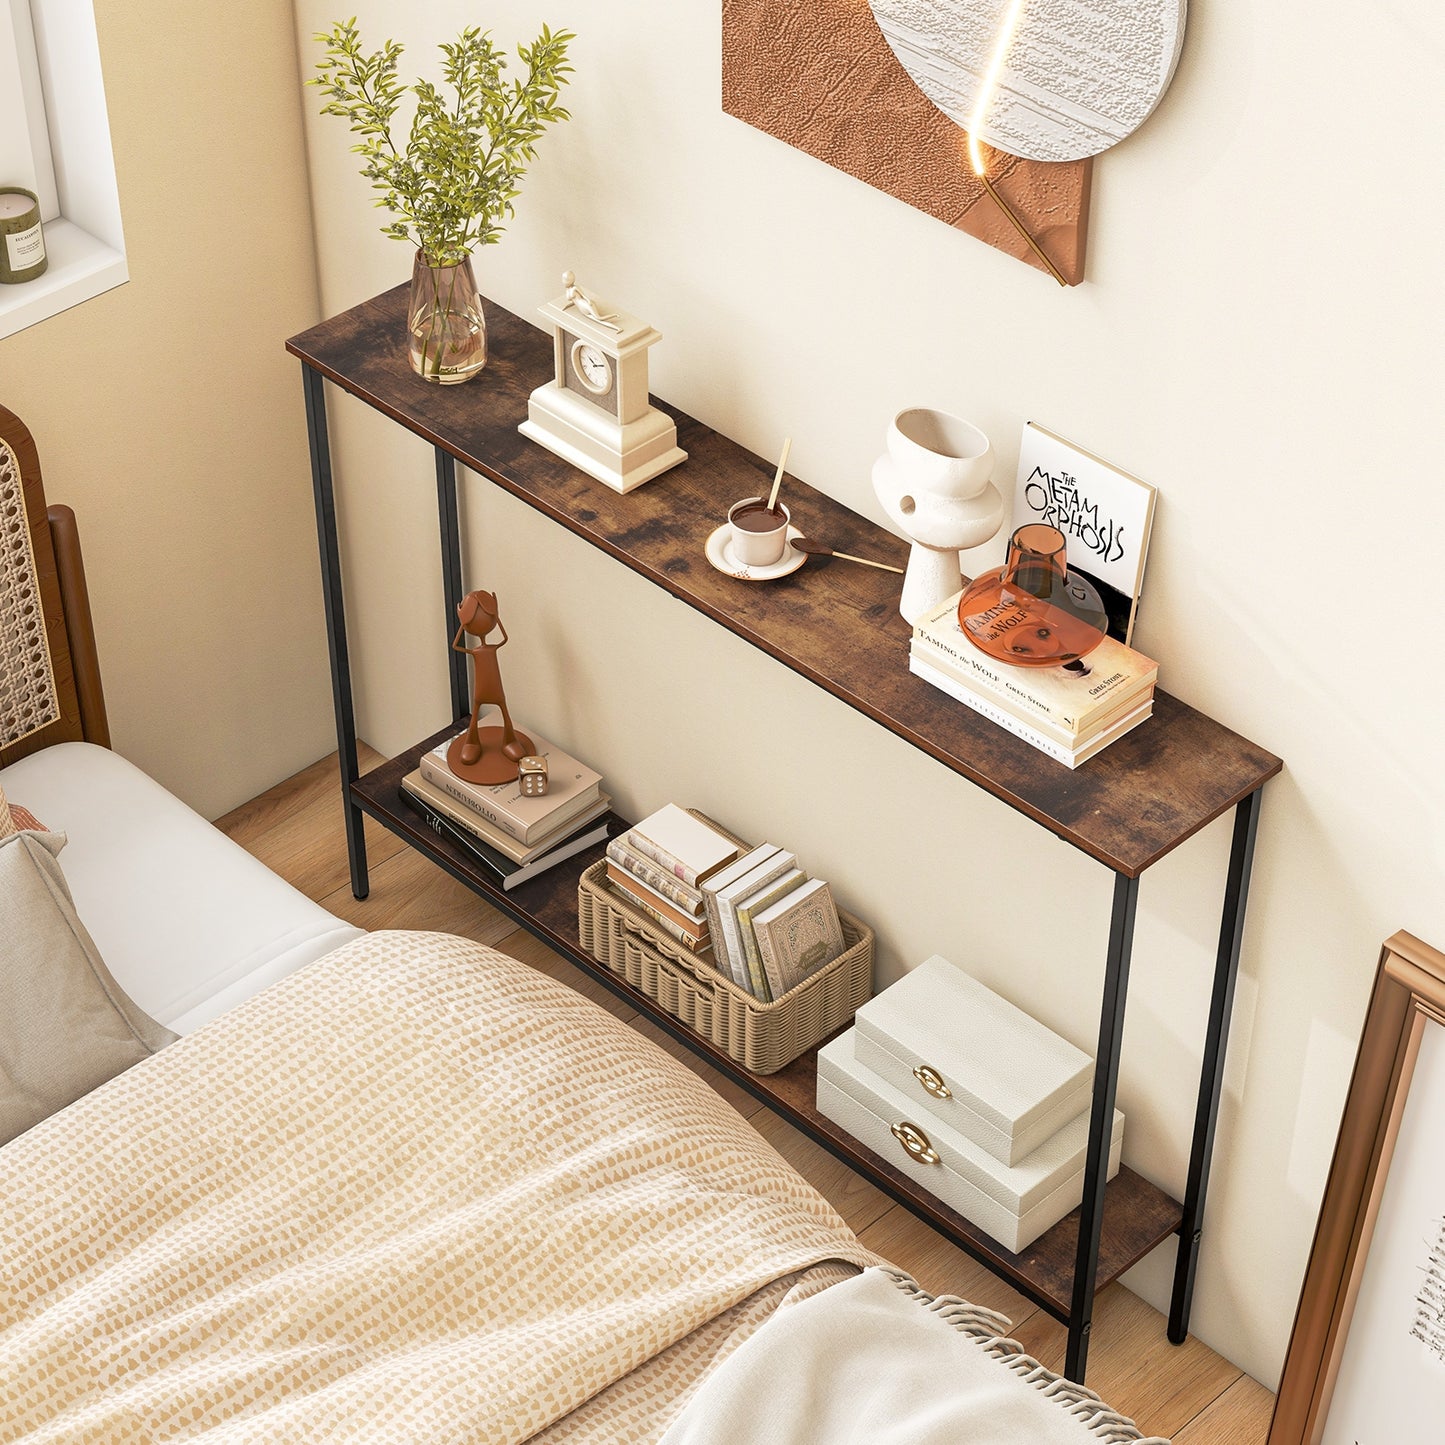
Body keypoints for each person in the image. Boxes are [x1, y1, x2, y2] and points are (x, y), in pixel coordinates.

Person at [452, 590, 527, 768]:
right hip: (481, 688)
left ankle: (510, 741)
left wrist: (496, 617)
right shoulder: (477, 652)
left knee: (504, 710)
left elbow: (504, 638)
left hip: (496, 687)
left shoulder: (490, 649)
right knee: (476, 712)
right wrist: (463, 624)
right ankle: (472, 743)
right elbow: (456, 645)